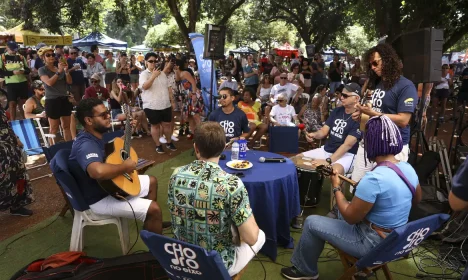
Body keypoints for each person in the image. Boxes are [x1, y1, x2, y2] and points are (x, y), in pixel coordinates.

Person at [282, 115, 422, 280]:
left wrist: (336, 186)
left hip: (371, 243)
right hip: (395, 239)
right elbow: (416, 200)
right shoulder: (407, 168)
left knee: (312, 222)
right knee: (338, 209)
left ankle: (305, 270)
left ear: (372, 144)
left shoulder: (374, 179)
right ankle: (330, 239)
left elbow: (350, 217)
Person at [167, 121, 265, 276]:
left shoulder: (176, 175)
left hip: (183, 259)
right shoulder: (231, 183)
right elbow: (251, 238)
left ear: (196, 148)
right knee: (260, 236)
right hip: (216, 264)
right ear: (223, 147)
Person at [70, 98, 169, 234]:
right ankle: (153, 224)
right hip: (99, 198)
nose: (108, 117)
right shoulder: (86, 144)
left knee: (151, 181)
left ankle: (151, 223)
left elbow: (113, 148)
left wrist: (129, 131)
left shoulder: (95, 136)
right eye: (103, 115)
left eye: (108, 112)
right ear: (88, 120)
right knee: (154, 208)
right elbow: (97, 172)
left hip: (109, 186)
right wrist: (125, 167)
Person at [351, 44, 418, 183]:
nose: (373, 67)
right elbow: (376, 111)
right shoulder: (377, 84)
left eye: (376, 63)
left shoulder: (406, 86)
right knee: (358, 185)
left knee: (384, 191)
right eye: (370, 65)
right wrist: (362, 116)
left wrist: (373, 113)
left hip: (392, 148)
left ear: (387, 60)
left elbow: (404, 120)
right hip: (369, 143)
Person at [301, 83, 362, 175]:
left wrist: (328, 161)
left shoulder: (359, 118)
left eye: (345, 96)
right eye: (341, 94)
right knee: (297, 159)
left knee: (334, 172)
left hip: (347, 154)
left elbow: (347, 145)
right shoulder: (337, 111)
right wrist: (314, 135)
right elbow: (324, 132)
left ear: (356, 98)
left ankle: (336, 189)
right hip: (327, 150)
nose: (341, 97)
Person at [139, 52, 177, 154]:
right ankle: (158, 145)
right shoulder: (143, 74)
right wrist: (153, 76)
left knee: (167, 125)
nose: (153, 63)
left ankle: (169, 142)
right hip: (151, 105)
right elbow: (145, 87)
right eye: (151, 61)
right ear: (146, 62)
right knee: (155, 126)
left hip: (165, 104)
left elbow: (168, 88)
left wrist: (172, 101)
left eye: (155, 61)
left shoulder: (163, 74)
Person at [0, 106, 34, 216]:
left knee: (18, 174)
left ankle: (17, 205)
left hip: (9, 144)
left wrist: (16, 138)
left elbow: (5, 124)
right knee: (3, 177)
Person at [38, 46, 74, 142]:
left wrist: (66, 71)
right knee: (54, 128)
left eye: (53, 54)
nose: (51, 57)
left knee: (66, 126)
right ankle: (52, 149)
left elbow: (69, 82)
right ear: (43, 58)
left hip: (64, 98)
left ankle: (69, 146)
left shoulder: (59, 67)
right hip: (52, 100)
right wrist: (59, 72)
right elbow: (49, 83)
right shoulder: (42, 69)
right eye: (48, 55)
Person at [0, 41, 31, 120]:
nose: (14, 51)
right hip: (11, 83)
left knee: (23, 103)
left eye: (15, 49)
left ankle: (26, 120)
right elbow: (1, 72)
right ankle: (13, 122)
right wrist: (12, 72)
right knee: (12, 103)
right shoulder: (2, 57)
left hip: (22, 82)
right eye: (12, 49)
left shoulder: (21, 57)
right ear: (7, 48)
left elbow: (28, 70)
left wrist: (23, 71)